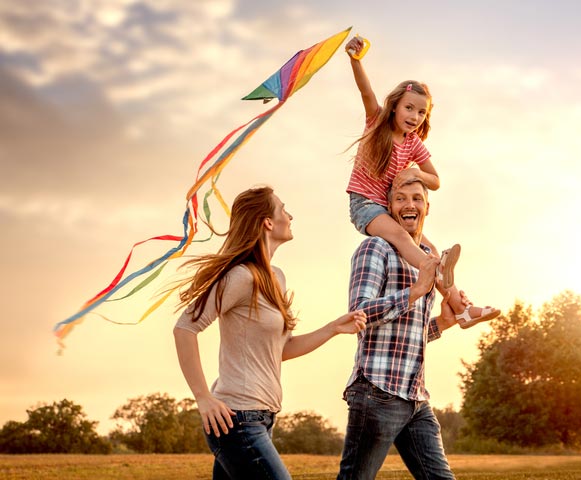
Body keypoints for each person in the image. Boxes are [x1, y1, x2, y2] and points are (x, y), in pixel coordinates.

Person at [173, 186, 367, 480]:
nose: (290, 216)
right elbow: (185, 328)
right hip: (237, 420)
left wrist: (332, 329)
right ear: (267, 222)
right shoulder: (240, 276)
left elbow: (281, 350)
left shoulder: (276, 277)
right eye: (283, 209)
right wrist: (203, 398)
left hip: (262, 419)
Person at [343, 35, 499, 329]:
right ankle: (434, 268)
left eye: (421, 112)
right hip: (365, 205)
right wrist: (356, 60)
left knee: (429, 249)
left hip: (388, 210)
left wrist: (416, 173)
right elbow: (366, 92)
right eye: (409, 108)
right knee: (405, 241)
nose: (414, 116)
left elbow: (435, 180)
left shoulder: (413, 143)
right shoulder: (377, 122)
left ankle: (462, 310)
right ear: (394, 107)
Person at [337, 176, 461, 480]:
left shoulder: (426, 259)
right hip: (377, 392)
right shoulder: (375, 248)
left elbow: (406, 336)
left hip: (415, 398)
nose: (410, 205)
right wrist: (415, 291)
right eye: (401, 198)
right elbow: (359, 313)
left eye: (417, 198)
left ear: (427, 208)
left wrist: (442, 323)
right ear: (389, 208)